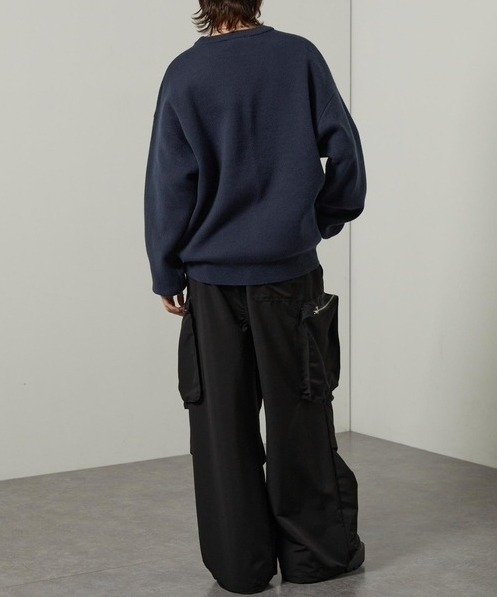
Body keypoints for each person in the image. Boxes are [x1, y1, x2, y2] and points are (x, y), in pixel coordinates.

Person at [144, 0, 367, 593]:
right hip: (289, 277)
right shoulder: (299, 57)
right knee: (301, 416)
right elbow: (346, 151)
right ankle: (315, 558)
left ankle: (240, 567)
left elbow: (169, 181)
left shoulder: (184, 73)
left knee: (222, 430)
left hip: (210, 285)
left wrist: (166, 270)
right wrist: (320, 219)